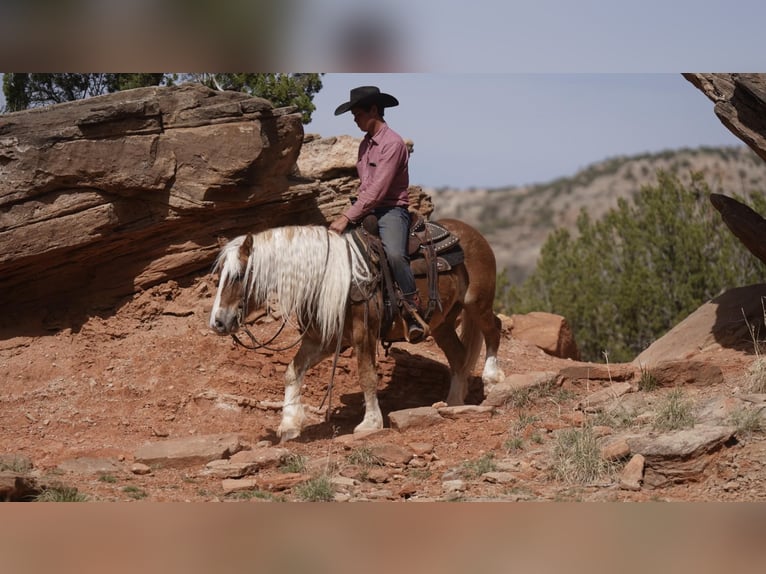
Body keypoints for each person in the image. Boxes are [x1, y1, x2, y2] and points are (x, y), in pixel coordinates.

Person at [329, 86, 425, 343]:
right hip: (368, 208)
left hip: (391, 209)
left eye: (358, 113)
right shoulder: (365, 145)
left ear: (374, 110)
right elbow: (366, 188)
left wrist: (347, 217)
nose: (355, 119)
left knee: (394, 254)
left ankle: (411, 307)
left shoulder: (392, 144)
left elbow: (379, 190)